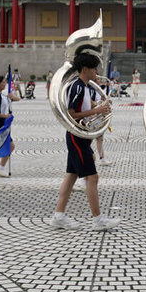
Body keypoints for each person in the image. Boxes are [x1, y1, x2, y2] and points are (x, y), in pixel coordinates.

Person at [50, 53, 120, 231]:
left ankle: (58, 216)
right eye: (95, 68)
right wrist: (96, 109)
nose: (97, 72)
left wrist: (100, 107)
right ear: (85, 70)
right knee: (92, 177)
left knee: (71, 176)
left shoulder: (87, 87)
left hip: (82, 136)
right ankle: (98, 220)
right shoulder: (77, 87)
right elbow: (71, 113)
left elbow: (86, 108)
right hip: (77, 137)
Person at [0, 75, 19, 177]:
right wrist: (5, 116)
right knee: (10, 145)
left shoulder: (3, 95)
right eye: (2, 82)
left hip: (3, 122)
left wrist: (12, 96)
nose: (5, 83)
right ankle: (0, 168)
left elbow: (17, 99)